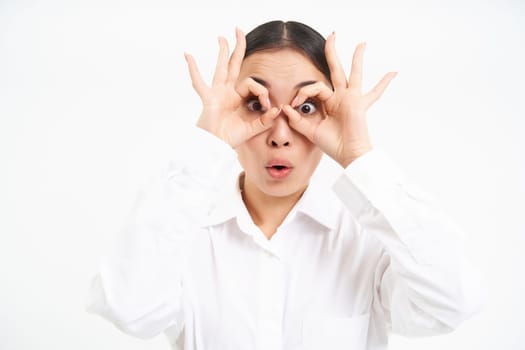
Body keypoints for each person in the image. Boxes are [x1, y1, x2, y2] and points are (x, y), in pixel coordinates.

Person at [87, 20, 484, 350]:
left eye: (305, 107)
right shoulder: (185, 234)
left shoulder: (367, 240)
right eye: (255, 104)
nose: (280, 135)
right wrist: (206, 144)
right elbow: (127, 307)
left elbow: (452, 303)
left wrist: (359, 154)